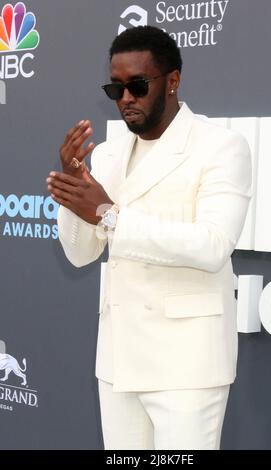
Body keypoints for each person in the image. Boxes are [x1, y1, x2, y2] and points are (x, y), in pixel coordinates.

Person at [46, 25, 252, 450]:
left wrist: (108, 214)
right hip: (119, 361)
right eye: (115, 89)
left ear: (172, 81)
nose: (126, 99)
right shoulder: (107, 153)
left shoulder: (220, 146)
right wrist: (74, 194)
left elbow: (213, 245)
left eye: (137, 86)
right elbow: (81, 254)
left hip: (186, 368)